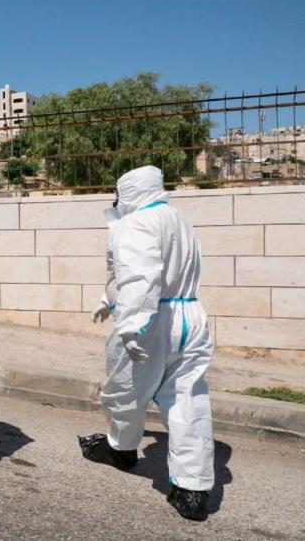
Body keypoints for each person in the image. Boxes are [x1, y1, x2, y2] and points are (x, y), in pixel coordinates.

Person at [79, 165, 215, 521]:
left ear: (127, 192)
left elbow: (141, 277)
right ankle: (192, 488)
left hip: (150, 320)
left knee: (123, 391)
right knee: (187, 398)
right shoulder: (178, 220)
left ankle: (120, 449)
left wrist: (131, 324)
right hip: (190, 316)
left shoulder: (135, 223)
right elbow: (154, 271)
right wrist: (109, 299)